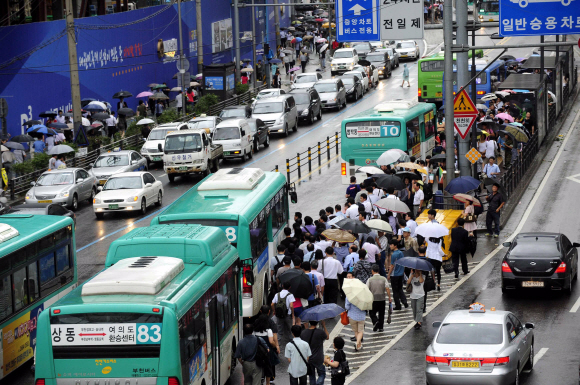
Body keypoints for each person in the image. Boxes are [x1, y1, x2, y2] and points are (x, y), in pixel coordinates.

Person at [301, 320, 329, 385]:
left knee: (311, 376)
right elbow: (327, 337)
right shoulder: (320, 332)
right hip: (319, 358)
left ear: (309, 323)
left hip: (309, 358)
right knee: (322, 374)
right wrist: (324, 326)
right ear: (317, 323)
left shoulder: (303, 333)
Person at [253, 314, 278, 385]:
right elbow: (271, 342)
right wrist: (275, 346)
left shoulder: (254, 331)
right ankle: (268, 382)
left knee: (258, 365)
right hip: (267, 351)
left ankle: (260, 379)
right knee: (268, 367)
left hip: (257, 351)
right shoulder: (268, 330)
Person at [367, 264, 392, 332]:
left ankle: (375, 321)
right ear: (379, 270)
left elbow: (367, 289)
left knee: (372, 313)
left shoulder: (370, 280)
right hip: (382, 299)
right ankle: (381, 327)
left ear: (372, 271)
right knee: (381, 313)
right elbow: (387, 288)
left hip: (373, 299)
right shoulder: (384, 279)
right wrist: (389, 297)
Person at [344, 275, 366, 351]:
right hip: (361, 315)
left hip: (352, 316)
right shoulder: (363, 294)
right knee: (361, 331)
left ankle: (358, 344)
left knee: (356, 331)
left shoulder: (349, 295)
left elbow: (347, 307)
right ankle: (358, 343)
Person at [388, 239, 408, 310]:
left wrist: (388, 274)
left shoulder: (394, 254)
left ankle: (398, 305)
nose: (390, 246)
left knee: (395, 291)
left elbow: (392, 265)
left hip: (394, 275)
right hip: (401, 274)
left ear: (395, 245)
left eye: (391, 245)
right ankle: (404, 302)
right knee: (400, 289)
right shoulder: (401, 253)